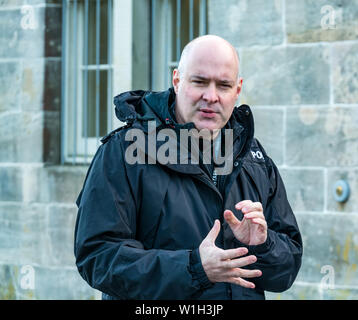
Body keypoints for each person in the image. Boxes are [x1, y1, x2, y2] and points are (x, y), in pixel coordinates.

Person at [74, 35, 303, 300]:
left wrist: (262, 246)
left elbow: (287, 270)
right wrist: (194, 268)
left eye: (224, 85)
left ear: (237, 90)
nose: (211, 96)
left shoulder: (253, 157)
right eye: (200, 82)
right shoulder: (125, 151)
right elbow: (97, 258)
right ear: (177, 80)